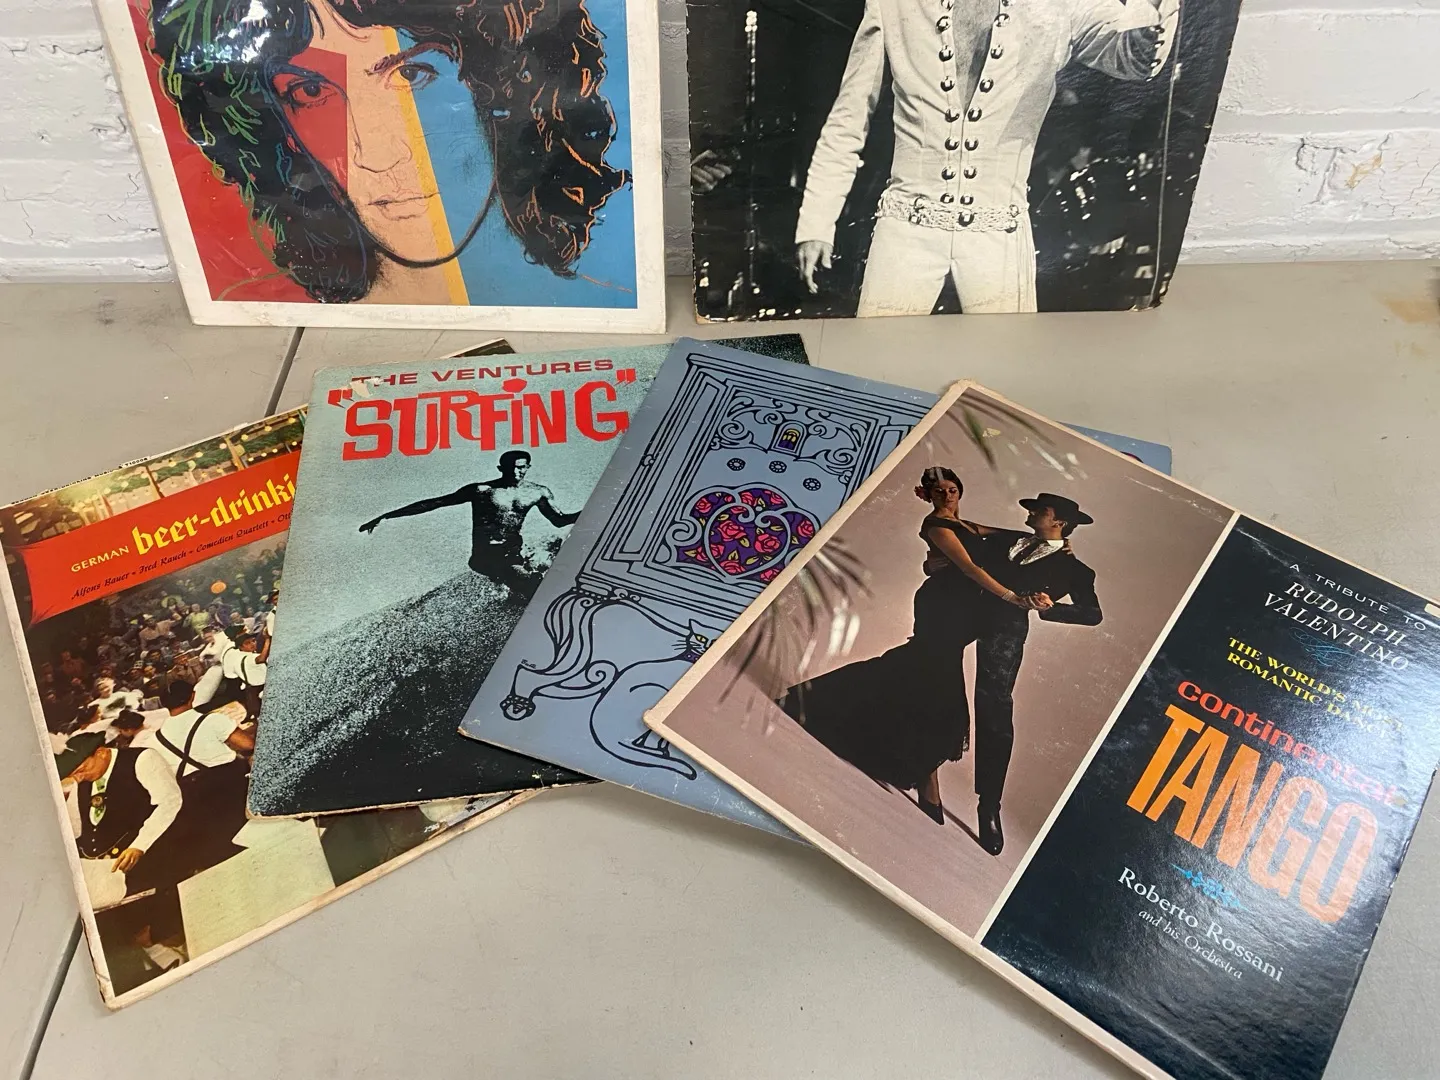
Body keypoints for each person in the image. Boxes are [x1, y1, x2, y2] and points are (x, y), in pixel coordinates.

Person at [150, 0, 627, 304]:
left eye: (412, 75)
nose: (373, 157)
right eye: (311, 91)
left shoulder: (609, 305)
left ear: (504, 89)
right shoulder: (260, 310)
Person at [794, 0, 1179, 314]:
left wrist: (1155, 13)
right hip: (905, 229)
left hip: (999, 235)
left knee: (1005, 371)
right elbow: (849, 118)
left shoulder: (1060, 4)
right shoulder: (894, 4)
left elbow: (1136, 58)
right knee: (879, 366)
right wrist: (816, 223)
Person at [779, 468, 1037, 824]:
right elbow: (969, 569)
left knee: (907, 673)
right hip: (940, 609)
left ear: (960, 491)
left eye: (952, 489)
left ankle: (813, 700)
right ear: (927, 495)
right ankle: (928, 782)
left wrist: (1050, 541)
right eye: (939, 491)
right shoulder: (936, 526)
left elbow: (1007, 537)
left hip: (962, 614)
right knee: (942, 696)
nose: (947, 495)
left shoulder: (967, 526)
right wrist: (1013, 597)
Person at [953, 493, 1102, 854]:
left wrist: (1049, 609)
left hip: (1004, 630)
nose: (1031, 512)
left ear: (1059, 522)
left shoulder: (1075, 570)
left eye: (1040, 510)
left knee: (994, 710)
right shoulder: (1008, 538)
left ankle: (989, 805)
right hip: (958, 611)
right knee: (925, 666)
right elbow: (962, 531)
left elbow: (1092, 614)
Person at [359, 450, 580, 595]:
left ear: (528, 467)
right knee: (533, 586)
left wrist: (591, 512)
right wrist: (386, 516)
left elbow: (559, 521)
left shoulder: (538, 492)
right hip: (486, 556)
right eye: (511, 467)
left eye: (521, 467)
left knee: (537, 578)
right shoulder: (482, 491)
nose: (516, 471)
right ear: (500, 468)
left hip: (513, 552)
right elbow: (435, 503)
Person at [56, 732, 183, 908]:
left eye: (81, 770)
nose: (79, 778)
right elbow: (76, 826)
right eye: (74, 774)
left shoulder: (142, 759)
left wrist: (139, 846)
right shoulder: (83, 780)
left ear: (101, 753)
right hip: (102, 867)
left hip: (145, 856)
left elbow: (169, 802)